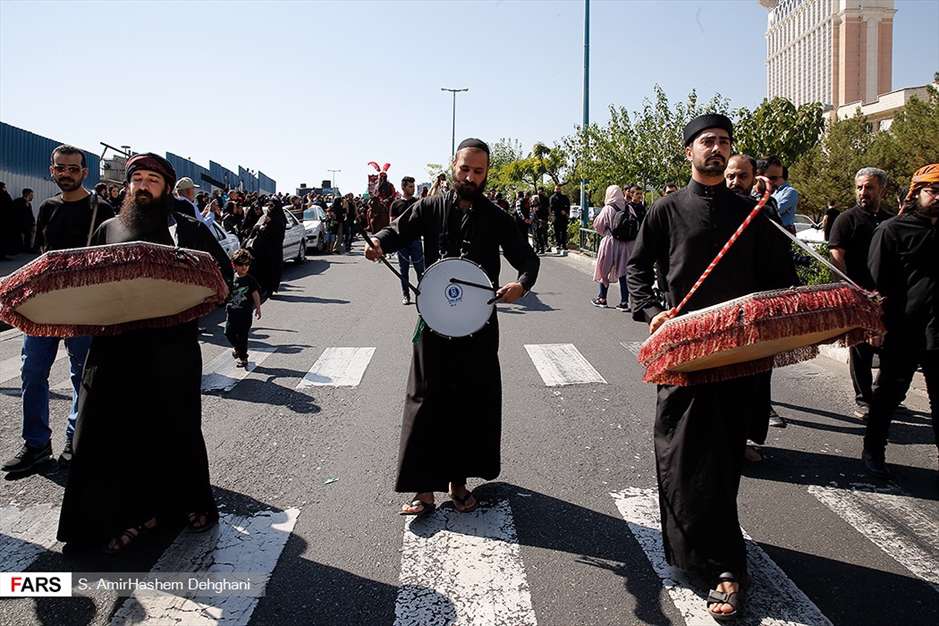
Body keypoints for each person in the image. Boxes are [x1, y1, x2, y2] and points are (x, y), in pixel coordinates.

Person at [627, 115, 797, 620]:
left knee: (722, 459)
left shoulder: (752, 213)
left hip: (737, 357)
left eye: (724, 142)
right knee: (677, 454)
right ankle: (687, 552)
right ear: (689, 153)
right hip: (683, 351)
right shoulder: (665, 210)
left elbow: (781, 277)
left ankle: (727, 566)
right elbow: (637, 266)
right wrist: (650, 307)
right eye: (708, 142)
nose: (717, 150)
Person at [57, 153, 232, 553]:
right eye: (137, 178)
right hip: (115, 347)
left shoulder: (187, 228)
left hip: (172, 349)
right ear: (127, 186)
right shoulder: (108, 228)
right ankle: (115, 518)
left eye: (153, 179)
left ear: (167, 188)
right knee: (107, 431)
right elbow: (88, 283)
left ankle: (183, 504)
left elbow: (219, 277)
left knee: (175, 427)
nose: (143, 185)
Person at [366, 138, 539, 517]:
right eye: (465, 169)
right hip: (433, 322)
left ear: (487, 173)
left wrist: (521, 285)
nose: (470, 177)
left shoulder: (496, 217)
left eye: (478, 171)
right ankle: (422, 489)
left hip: (479, 326)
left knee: (468, 402)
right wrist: (379, 241)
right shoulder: (428, 208)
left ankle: (459, 484)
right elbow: (397, 230)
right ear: (453, 166)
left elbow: (526, 257)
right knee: (424, 400)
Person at [2, 146, 114, 474]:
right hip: (44, 306)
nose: (66, 173)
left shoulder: (101, 207)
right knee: (32, 373)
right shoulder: (47, 208)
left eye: (73, 169)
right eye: (60, 168)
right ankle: (36, 445)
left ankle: (74, 443)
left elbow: (109, 260)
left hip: (83, 307)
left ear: (85, 172)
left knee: (83, 377)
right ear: (52, 169)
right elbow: (42, 255)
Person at [861, 164, 939, 478]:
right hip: (903, 329)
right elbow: (875, 285)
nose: (937, 198)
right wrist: (874, 325)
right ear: (916, 192)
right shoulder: (892, 230)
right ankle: (873, 451)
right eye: (932, 191)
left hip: (938, 333)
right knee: (889, 396)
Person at [725, 153, 791, 444]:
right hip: (721, 309)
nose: (734, 182)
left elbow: (779, 254)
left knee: (757, 376)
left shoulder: (765, 210)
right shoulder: (716, 206)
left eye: (742, 176)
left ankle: (751, 439)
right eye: (730, 176)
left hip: (757, 307)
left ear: (753, 180)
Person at [828, 168, 893, 419]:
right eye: (859, 187)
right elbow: (836, 257)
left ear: (882, 190)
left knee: (891, 348)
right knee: (861, 349)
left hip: (888, 295)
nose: (863, 192)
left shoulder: (890, 219)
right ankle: (864, 399)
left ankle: (882, 394)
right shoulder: (846, 219)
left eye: (869, 187)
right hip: (859, 294)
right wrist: (846, 291)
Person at [591, 185, 634, 310]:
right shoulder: (628, 207)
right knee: (623, 273)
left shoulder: (608, 209)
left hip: (609, 242)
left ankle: (602, 298)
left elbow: (598, 227)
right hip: (626, 245)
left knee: (604, 271)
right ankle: (624, 302)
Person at [389, 176, 424, 305]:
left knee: (420, 270)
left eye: (414, 186)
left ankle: (423, 295)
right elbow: (391, 224)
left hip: (415, 241)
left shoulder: (418, 202)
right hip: (401, 243)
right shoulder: (396, 204)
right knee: (404, 272)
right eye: (410, 186)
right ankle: (406, 295)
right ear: (403, 187)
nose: (413, 188)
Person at [225, 248, 262, 368]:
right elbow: (226, 293)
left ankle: (243, 357)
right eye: (241, 264)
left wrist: (258, 307)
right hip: (231, 313)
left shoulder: (250, 280)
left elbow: (255, 293)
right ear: (234, 265)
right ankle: (237, 349)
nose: (244, 267)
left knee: (243, 336)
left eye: (247, 264)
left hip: (245, 314)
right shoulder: (231, 279)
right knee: (228, 333)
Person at [759, 155, 799, 234]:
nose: (773, 181)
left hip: (784, 232)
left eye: (775, 178)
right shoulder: (774, 191)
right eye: (772, 177)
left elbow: (777, 210)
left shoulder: (790, 192)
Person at [11, 188, 35, 253]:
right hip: (18, 224)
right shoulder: (18, 202)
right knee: (17, 237)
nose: (32, 197)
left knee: (28, 236)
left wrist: (32, 222)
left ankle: (26, 249)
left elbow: (30, 214)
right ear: (27, 194)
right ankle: (18, 249)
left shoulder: (28, 204)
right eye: (31, 195)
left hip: (27, 224)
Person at [550, 185, 571, 255]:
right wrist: (557, 212)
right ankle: (558, 244)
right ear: (554, 190)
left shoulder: (564, 197)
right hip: (556, 217)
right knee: (557, 232)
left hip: (563, 217)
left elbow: (568, 205)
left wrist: (566, 212)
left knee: (564, 231)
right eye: (556, 189)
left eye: (559, 189)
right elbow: (551, 208)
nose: (557, 190)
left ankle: (564, 245)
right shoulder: (552, 198)